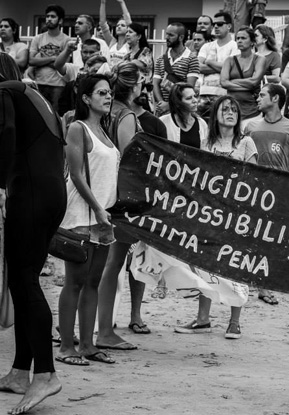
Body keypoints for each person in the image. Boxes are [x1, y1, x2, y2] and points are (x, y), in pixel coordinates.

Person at [0, 54, 64, 415]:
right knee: (23, 282)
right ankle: (20, 371)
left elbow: (5, 136)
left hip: (30, 194)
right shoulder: (37, 99)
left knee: (24, 282)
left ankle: (46, 374)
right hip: (50, 195)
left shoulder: (6, 91)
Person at [175, 96, 256, 339]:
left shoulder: (247, 143)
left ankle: (234, 321)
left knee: (236, 266)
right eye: (225, 109)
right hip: (210, 213)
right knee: (205, 264)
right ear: (215, 115)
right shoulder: (204, 143)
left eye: (234, 109)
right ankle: (203, 318)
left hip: (238, 215)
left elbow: (255, 181)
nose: (230, 113)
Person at [56, 74, 120, 367]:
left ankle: (87, 344)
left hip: (103, 216)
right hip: (83, 215)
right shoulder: (77, 128)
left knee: (93, 281)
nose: (108, 97)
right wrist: (97, 208)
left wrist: (106, 211)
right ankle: (66, 347)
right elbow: (77, 175)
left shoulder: (105, 130)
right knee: (75, 282)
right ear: (85, 98)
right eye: (102, 93)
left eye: (109, 93)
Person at [96, 62, 145, 350]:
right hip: (120, 195)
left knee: (101, 263)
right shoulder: (125, 114)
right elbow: (130, 158)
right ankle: (104, 330)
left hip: (101, 189)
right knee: (113, 263)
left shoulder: (104, 109)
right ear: (134, 86)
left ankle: (97, 327)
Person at [244, 83, 289, 304]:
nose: (258, 99)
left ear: (276, 98)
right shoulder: (250, 126)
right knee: (251, 233)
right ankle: (250, 280)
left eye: (262, 95)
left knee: (272, 236)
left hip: (280, 189)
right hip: (253, 187)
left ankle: (265, 284)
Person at [28, 4, 70, 112]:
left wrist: (41, 61)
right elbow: (31, 60)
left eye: (53, 16)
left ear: (60, 21)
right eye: (47, 16)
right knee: (39, 113)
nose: (49, 19)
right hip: (39, 83)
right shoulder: (38, 38)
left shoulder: (66, 40)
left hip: (58, 85)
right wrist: (53, 59)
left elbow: (64, 65)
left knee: (54, 114)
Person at [221, 26, 266, 120]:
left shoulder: (259, 59)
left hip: (251, 110)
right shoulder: (230, 60)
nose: (239, 41)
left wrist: (232, 81)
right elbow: (223, 82)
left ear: (252, 42)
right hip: (231, 109)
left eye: (243, 38)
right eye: (238, 38)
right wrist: (247, 86)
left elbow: (254, 82)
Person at [153, 23, 199, 115]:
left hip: (181, 110)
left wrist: (169, 105)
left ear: (181, 37)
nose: (166, 37)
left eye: (171, 35)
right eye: (166, 34)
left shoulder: (192, 58)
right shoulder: (160, 59)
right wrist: (161, 103)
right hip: (162, 110)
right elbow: (155, 84)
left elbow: (189, 88)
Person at [197, 12, 239, 107]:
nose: (215, 27)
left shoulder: (235, 46)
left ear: (229, 26)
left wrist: (208, 62)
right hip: (204, 94)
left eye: (219, 24)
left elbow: (233, 69)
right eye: (214, 24)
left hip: (225, 94)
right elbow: (198, 67)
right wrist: (223, 67)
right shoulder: (206, 46)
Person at [99, 0, 133, 68]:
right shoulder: (112, 42)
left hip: (123, 75)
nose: (119, 27)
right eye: (117, 25)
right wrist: (103, 3)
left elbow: (129, 22)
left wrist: (122, 2)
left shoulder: (130, 43)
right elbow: (103, 24)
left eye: (123, 25)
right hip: (110, 75)